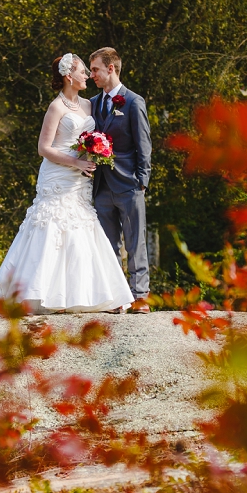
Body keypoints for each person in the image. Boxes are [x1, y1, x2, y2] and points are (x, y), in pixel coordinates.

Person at [0, 53, 134, 317]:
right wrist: (75, 163)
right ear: (69, 76)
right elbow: (43, 148)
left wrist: (95, 153)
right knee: (50, 225)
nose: (87, 75)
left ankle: (85, 294)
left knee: (81, 227)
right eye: (82, 71)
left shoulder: (90, 105)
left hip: (80, 179)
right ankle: (40, 294)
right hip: (58, 175)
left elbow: (95, 136)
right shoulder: (56, 108)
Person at [89, 47, 152, 314]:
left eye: (95, 70)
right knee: (108, 243)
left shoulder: (133, 102)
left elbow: (143, 144)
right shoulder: (92, 103)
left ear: (110, 69)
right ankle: (116, 297)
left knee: (135, 240)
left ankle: (140, 296)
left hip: (128, 183)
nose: (92, 75)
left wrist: (142, 180)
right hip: (101, 185)